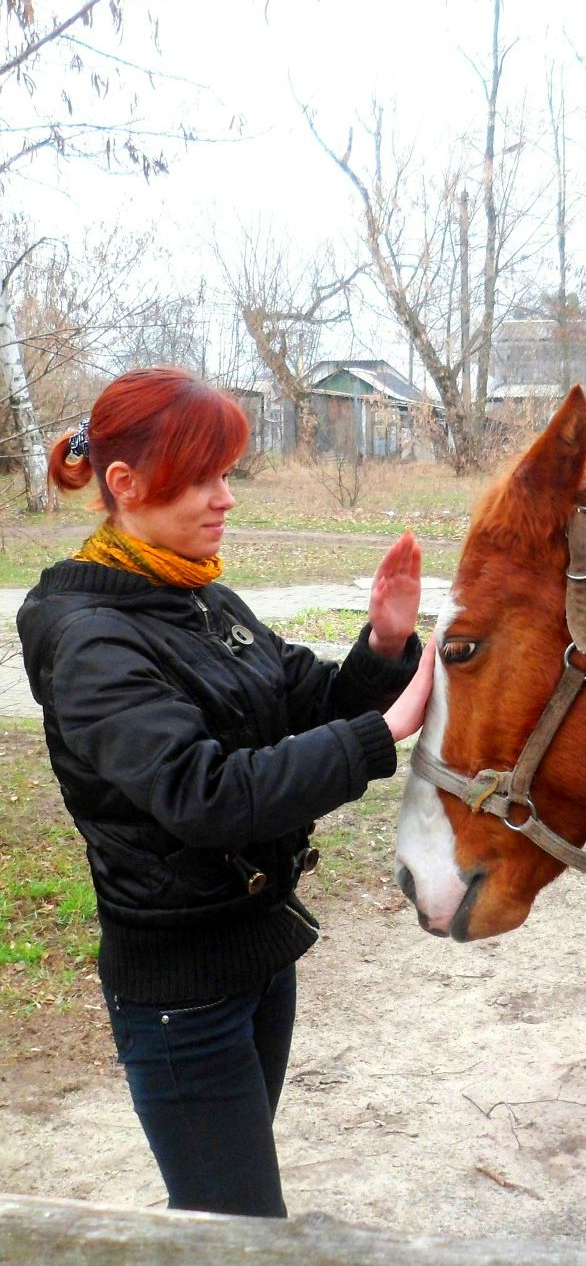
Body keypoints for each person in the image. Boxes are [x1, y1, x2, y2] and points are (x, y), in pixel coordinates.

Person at [16, 367, 434, 1219]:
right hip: (181, 998)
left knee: (218, 1217)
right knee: (239, 1230)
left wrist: (384, 646)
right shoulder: (91, 639)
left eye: (228, 474)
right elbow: (201, 795)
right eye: (200, 478)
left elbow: (297, 699)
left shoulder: (197, 593)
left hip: (256, 958)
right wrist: (379, 735)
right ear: (124, 486)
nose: (225, 500)